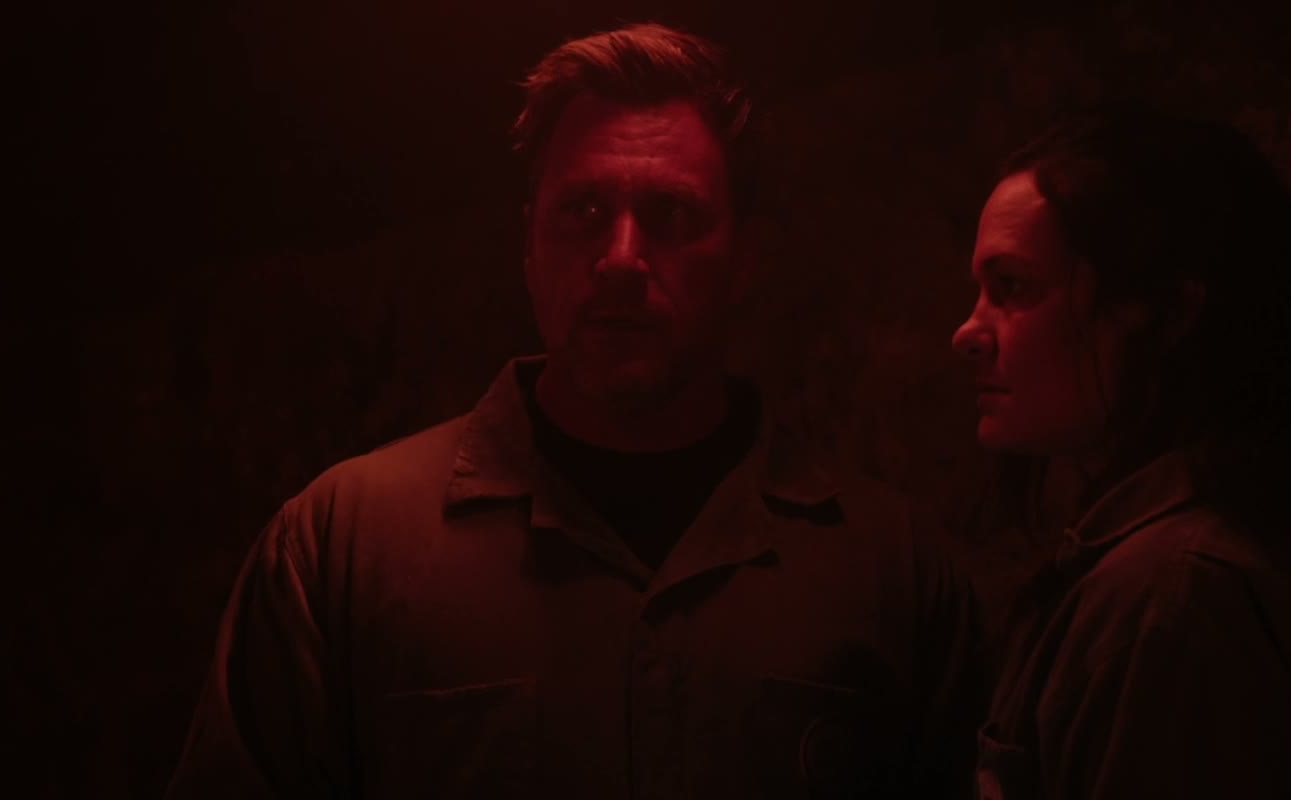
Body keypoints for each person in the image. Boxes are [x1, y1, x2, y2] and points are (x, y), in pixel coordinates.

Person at [167, 22, 985, 799]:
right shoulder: (341, 550)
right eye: (583, 212)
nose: (621, 259)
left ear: (746, 258)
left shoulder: (889, 573)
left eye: (672, 216)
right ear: (529, 247)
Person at [951, 104, 1291, 799]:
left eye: (1013, 287)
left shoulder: (1174, 599)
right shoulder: (1206, 559)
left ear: (1170, 313)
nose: (967, 332)